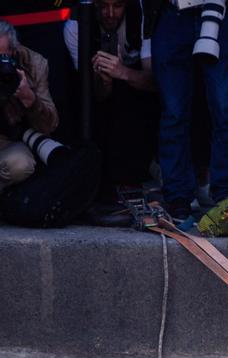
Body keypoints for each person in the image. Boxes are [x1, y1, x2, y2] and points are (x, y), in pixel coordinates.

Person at [141, 0, 228, 222]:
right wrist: (147, 35)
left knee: (225, 109)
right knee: (174, 111)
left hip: (223, 12)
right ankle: (178, 198)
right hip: (173, 13)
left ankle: (225, 198)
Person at [63, 0, 158, 205]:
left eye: (118, 5)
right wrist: (105, 81)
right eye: (103, 6)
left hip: (136, 93)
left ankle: (137, 177)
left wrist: (122, 72)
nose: (110, 13)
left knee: (134, 100)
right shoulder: (75, 25)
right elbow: (90, 94)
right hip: (95, 97)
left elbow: (154, 82)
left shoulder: (141, 14)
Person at [0, 21, 58, 194]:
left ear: (12, 51)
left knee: (21, 164)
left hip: (10, 141)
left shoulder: (34, 64)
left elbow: (50, 125)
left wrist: (29, 98)